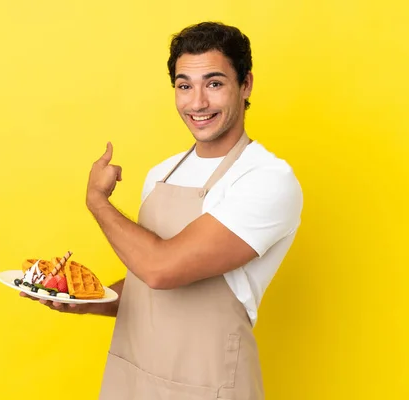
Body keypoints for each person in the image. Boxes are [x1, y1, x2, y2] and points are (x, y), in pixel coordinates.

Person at [22, 21, 303, 399]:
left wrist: (97, 203)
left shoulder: (267, 179)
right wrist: (89, 300)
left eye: (214, 83)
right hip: (133, 378)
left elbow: (160, 268)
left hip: (207, 385)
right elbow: (144, 289)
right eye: (184, 85)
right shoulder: (162, 173)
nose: (197, 102)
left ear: (246, 84)